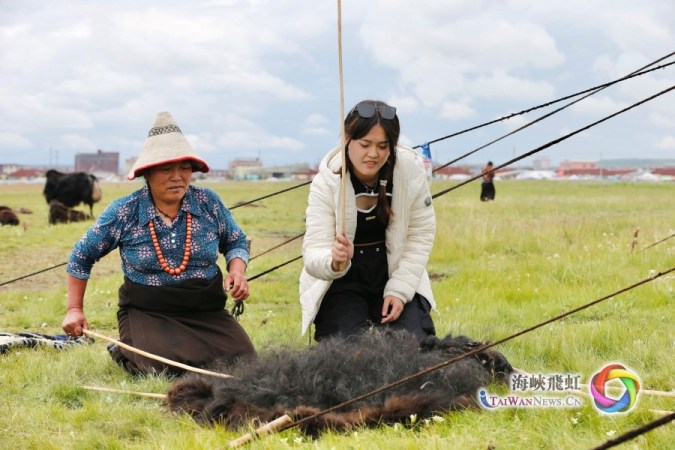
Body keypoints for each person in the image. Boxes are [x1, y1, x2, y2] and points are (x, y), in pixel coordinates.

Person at [61, 111, 255, 376]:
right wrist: (74, 310)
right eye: (167, 169)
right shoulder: (124, 211)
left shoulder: (208, 203)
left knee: (244, 363)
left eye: (184, 168)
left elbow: (236, 241)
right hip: (148, 311)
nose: (178, 176)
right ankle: (126, 350)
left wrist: (237, 271)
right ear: (148, 173)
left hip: (204, 310)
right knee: (162, 370)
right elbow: (81, 256)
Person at [299, 100, 437, 342]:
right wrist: (334, 261)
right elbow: (313, 253)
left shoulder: (410, 173)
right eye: (365, 144)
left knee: (415, 348)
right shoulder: (326, 181)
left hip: (393, 272)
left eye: (383, 146)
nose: (373, 154)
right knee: (346, 355)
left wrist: (400, 291)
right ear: (347, 139)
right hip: (343, 283)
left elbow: (420, 235)